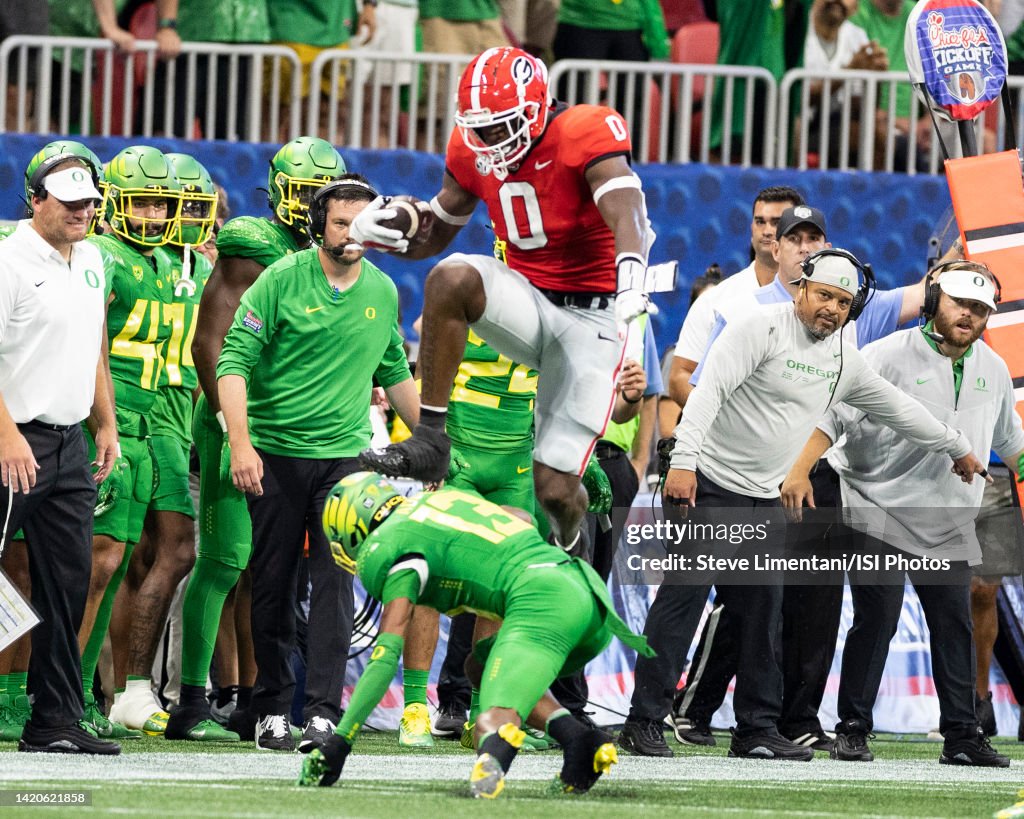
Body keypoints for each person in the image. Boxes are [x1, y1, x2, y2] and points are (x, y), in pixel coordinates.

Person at [627, 250, 988, 762]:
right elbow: (706, 395)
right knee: (681, 604)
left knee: (763, 614)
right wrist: (683, 463)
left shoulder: (843, 356)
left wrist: (957, 446)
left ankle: (755, 728)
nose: (832, 309)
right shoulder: (756, 328)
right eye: (824, 296)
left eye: (843, 302)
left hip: (765, 496)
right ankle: (642, 720)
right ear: (800, 289)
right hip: (708, 481)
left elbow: (898, 407)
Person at [353, 46, 658, 557]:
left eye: (502, 124)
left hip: (593, 313)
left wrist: (631, 279)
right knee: (451, 277)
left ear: (537, 108)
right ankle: (431, 437)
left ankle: (573, 544)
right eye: (481, 126)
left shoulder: (585, 129)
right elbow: (435, 232)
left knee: (555, 489)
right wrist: (388, 227)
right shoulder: (473, 148)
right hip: (529, 300)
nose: (489, 139)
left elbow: (627, 209)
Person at [782, 261, 1020, 767]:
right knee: (878, 617)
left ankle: (961, 735)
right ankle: (853, 727)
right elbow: (832, 416)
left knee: (952, 622)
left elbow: (1012, 444)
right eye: (961, 304)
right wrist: (800, 470)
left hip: (947, 517)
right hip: (876, 503)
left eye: (980, 309)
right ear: (935, 300)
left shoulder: (993, 369)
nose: (969, 316)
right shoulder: (885, 354)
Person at [217, 174, 420, 752]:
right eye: (341, 223)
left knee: (336, 588)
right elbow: (233, 362)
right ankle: (272, 711)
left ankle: (325, 714)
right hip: (276, 454)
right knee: (274, 584)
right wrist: (241, 443)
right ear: (317, 226)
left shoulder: (382, 289)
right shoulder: (280, 279)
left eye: (361, 224)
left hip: (347, 461)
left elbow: (394, 372)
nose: (353, 234)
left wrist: (435, 438)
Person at [298, 473, 653, 797]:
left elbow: (385, 656)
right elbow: (521, 517)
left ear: (355, 527)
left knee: (492, 718)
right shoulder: (441, 500)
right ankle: (580, 742)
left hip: (541, 603)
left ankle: (491, 768)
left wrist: (341, 741)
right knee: (478, 665)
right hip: (586, 597)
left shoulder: (393, 547)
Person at [180, 136, 345, 743]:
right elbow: (211, 343)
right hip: (240, 423)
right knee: (225, 561)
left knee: (266, 570)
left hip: (288, 428)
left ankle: (254, 699)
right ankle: (194, 699)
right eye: (302, 192)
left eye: (321, 193)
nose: (313, 205)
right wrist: (232, 430)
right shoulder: (255, 243)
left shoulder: (331, 254)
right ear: (278, 190)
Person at [0, 153, 120, 754]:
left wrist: (106, 422)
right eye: (70, 201)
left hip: (70, 441)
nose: (83, 211)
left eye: (90, 202)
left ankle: (53, 721)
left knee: (68, 585)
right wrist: (6, 435)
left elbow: (92, 340)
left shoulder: (94, 257)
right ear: (36, 201)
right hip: (11, 440)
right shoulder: (7, 261)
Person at [114, 153, 232, 742]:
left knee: (124, 560)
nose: (183, 219)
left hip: (174, 419)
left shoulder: (190, 265)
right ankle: (120, 689)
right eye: (170, 206)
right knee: (127, 557)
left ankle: (115, 691)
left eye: (186, 207)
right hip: (138, 414)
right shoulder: (124, 259)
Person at [83, 146, 181, 738]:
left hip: (144, 427)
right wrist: (105, 422)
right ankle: (51, 689)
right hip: (107, 424)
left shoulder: (168, 262)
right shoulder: (104, 255)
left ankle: (84, 692)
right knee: (89, 567)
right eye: (140, 202)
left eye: (158, 203)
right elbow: (90, 344)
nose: (149, 214)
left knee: (114, 566)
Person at [669, 187, 805, 412]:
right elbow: (679, 378)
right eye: (760, 222)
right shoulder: (715, 301)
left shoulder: (822, 304)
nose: (767, 230)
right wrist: (725, 417)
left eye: (777, 222)